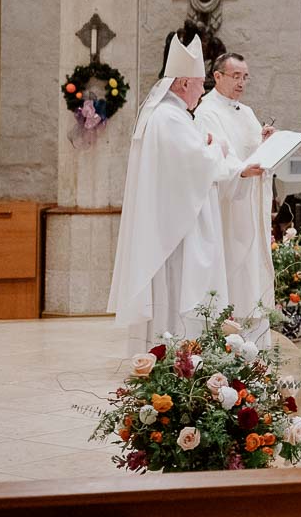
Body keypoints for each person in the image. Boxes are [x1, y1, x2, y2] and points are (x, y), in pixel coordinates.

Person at [107, 33, 263, 349]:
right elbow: (195, 163)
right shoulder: (168, 118)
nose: (202, 90)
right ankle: (178, 352)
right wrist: (217, 147)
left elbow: (190, 158)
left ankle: (181, 351)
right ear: (182, 84)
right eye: (199, 83)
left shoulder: (172, 115)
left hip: (176, 222)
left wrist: (211, 151)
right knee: (179, 290)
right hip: (178, 231)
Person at [193, 52, 277, 346]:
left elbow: (254, 153)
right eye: (236, 76)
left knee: (252, 276)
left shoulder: (247, 111)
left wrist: (266, 142)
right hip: (228, 208)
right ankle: (229, 344)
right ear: (217, 76)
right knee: (233, 274)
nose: (242, 82)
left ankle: (256, 347)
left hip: (250, 207)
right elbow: (213, 160)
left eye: (245, 76)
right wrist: (240, 172)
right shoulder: (206, 112)